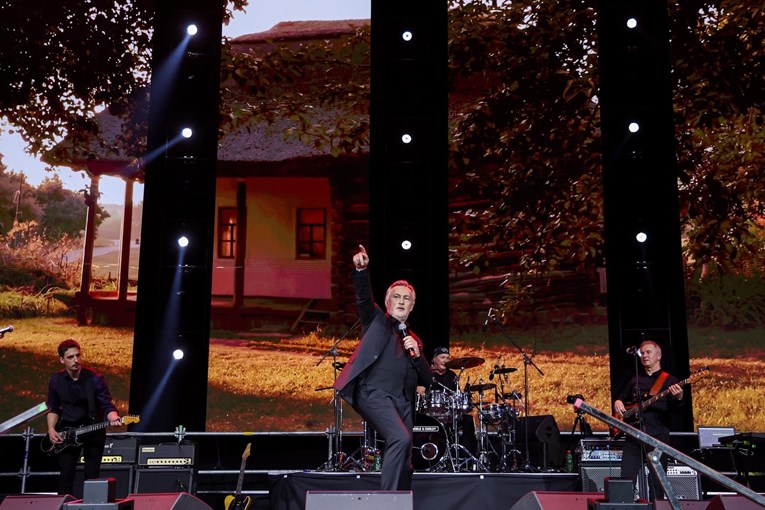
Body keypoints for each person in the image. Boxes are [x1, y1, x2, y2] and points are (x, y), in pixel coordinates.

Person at [334, 245, 433, 490]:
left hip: (402, 402)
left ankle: (401, 499)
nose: (401, 301)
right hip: (373, 393)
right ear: (388, 303)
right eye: (396, 297)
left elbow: (428, 379)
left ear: (412, 306)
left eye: (406, 298)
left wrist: (419, 356)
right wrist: (361, 270)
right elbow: (364, 298)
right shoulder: (376, 320)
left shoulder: (415, 340)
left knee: (405, 456)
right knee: (400, 437)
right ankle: (387, 502)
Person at [46, 339, 122, 496]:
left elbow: (107, 405)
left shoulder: (94, 378)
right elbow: (54, 408)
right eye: (70, 357)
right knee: (66, 476)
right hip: (68, 433)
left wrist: (114, 417)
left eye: (78, 355)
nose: (76, 360)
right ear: (62, 360)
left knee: (91, 477)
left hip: (93, 432)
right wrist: (51, 429)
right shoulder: (56, 380)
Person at [613, 339, 683, 501]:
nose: (644, 356)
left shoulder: (670, 381)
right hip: (634, 436)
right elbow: (622, 399)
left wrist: (679, 398)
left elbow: (677, 411)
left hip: (657, 436)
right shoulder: (634, 380)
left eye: (648, 352)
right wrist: (617, 402)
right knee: (625, 479)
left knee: (657, 483)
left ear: (658, 356)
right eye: (642, 353)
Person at [419, 347, 477, 457]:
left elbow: (457, 394)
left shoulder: (452, 375)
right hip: (431, 413)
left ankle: (466, 457)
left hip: (449, 413)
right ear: (434, 359)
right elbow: (420, 391)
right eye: (442, 357)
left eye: (448, 358)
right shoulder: (427, 374)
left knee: (468, 420)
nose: (446, 360)